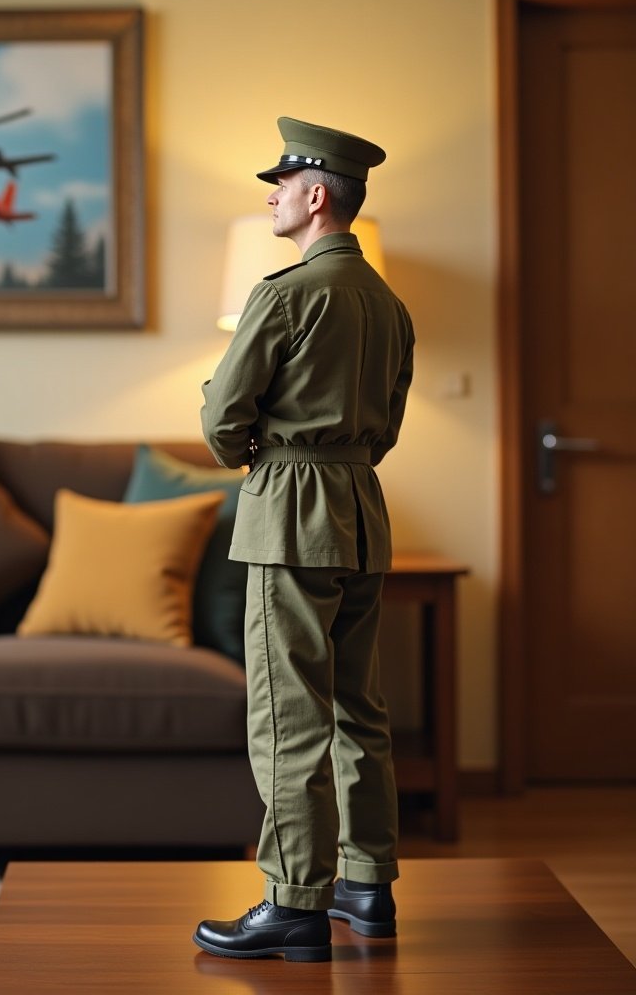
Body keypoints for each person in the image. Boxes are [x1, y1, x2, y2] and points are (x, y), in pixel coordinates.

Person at [194, 117, 414, 962]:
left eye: (281, 184)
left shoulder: (284, 294)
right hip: (360, 506)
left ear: (317, 195)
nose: (274, 194)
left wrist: (252, 446)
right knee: (361, 708)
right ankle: (368, 884)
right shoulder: (389, 306)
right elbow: (385, 425)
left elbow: (223, 422)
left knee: (288, 715)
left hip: (289, 514)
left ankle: (293, 902)